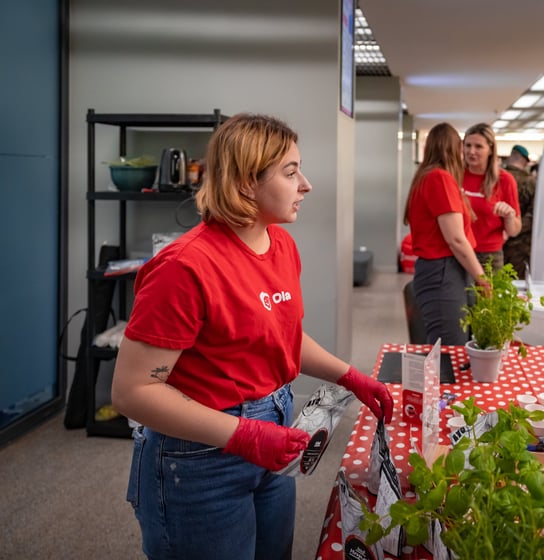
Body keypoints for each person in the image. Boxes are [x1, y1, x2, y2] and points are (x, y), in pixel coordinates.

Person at [110, 113, 394, 560]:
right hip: (199, 454)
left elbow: (282, 337)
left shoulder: (280, 244)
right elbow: (132, 391)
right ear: (246, 182)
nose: (306, 185)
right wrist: (244, 435)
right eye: (290, 171)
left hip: (274, 428)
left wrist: (350, 377)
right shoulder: (185, 267)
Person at [405, 122, 488, 345]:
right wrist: (482, 279)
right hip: (442, 271)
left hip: (444, 270)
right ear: (453, 148)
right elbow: (456, 239)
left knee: (455, 344)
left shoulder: (428, 176)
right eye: (463, 147)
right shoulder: (439, 178)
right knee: (451, 348)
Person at [462, 123, 521, 270]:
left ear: (490, 150)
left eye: (478, 146)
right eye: (467, 145)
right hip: (458, 251)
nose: (471, 151)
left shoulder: (504, 180)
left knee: (487, 293)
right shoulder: (455, 176)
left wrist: (509, 216)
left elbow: (514, 230)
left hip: (488, 256)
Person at [502, 144, 537, 279]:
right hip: (520, 247)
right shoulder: (532, 183)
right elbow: (533, 216)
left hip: (494, 243)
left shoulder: (494, 179)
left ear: (511, 156)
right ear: (525, 161)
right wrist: (514, 229)